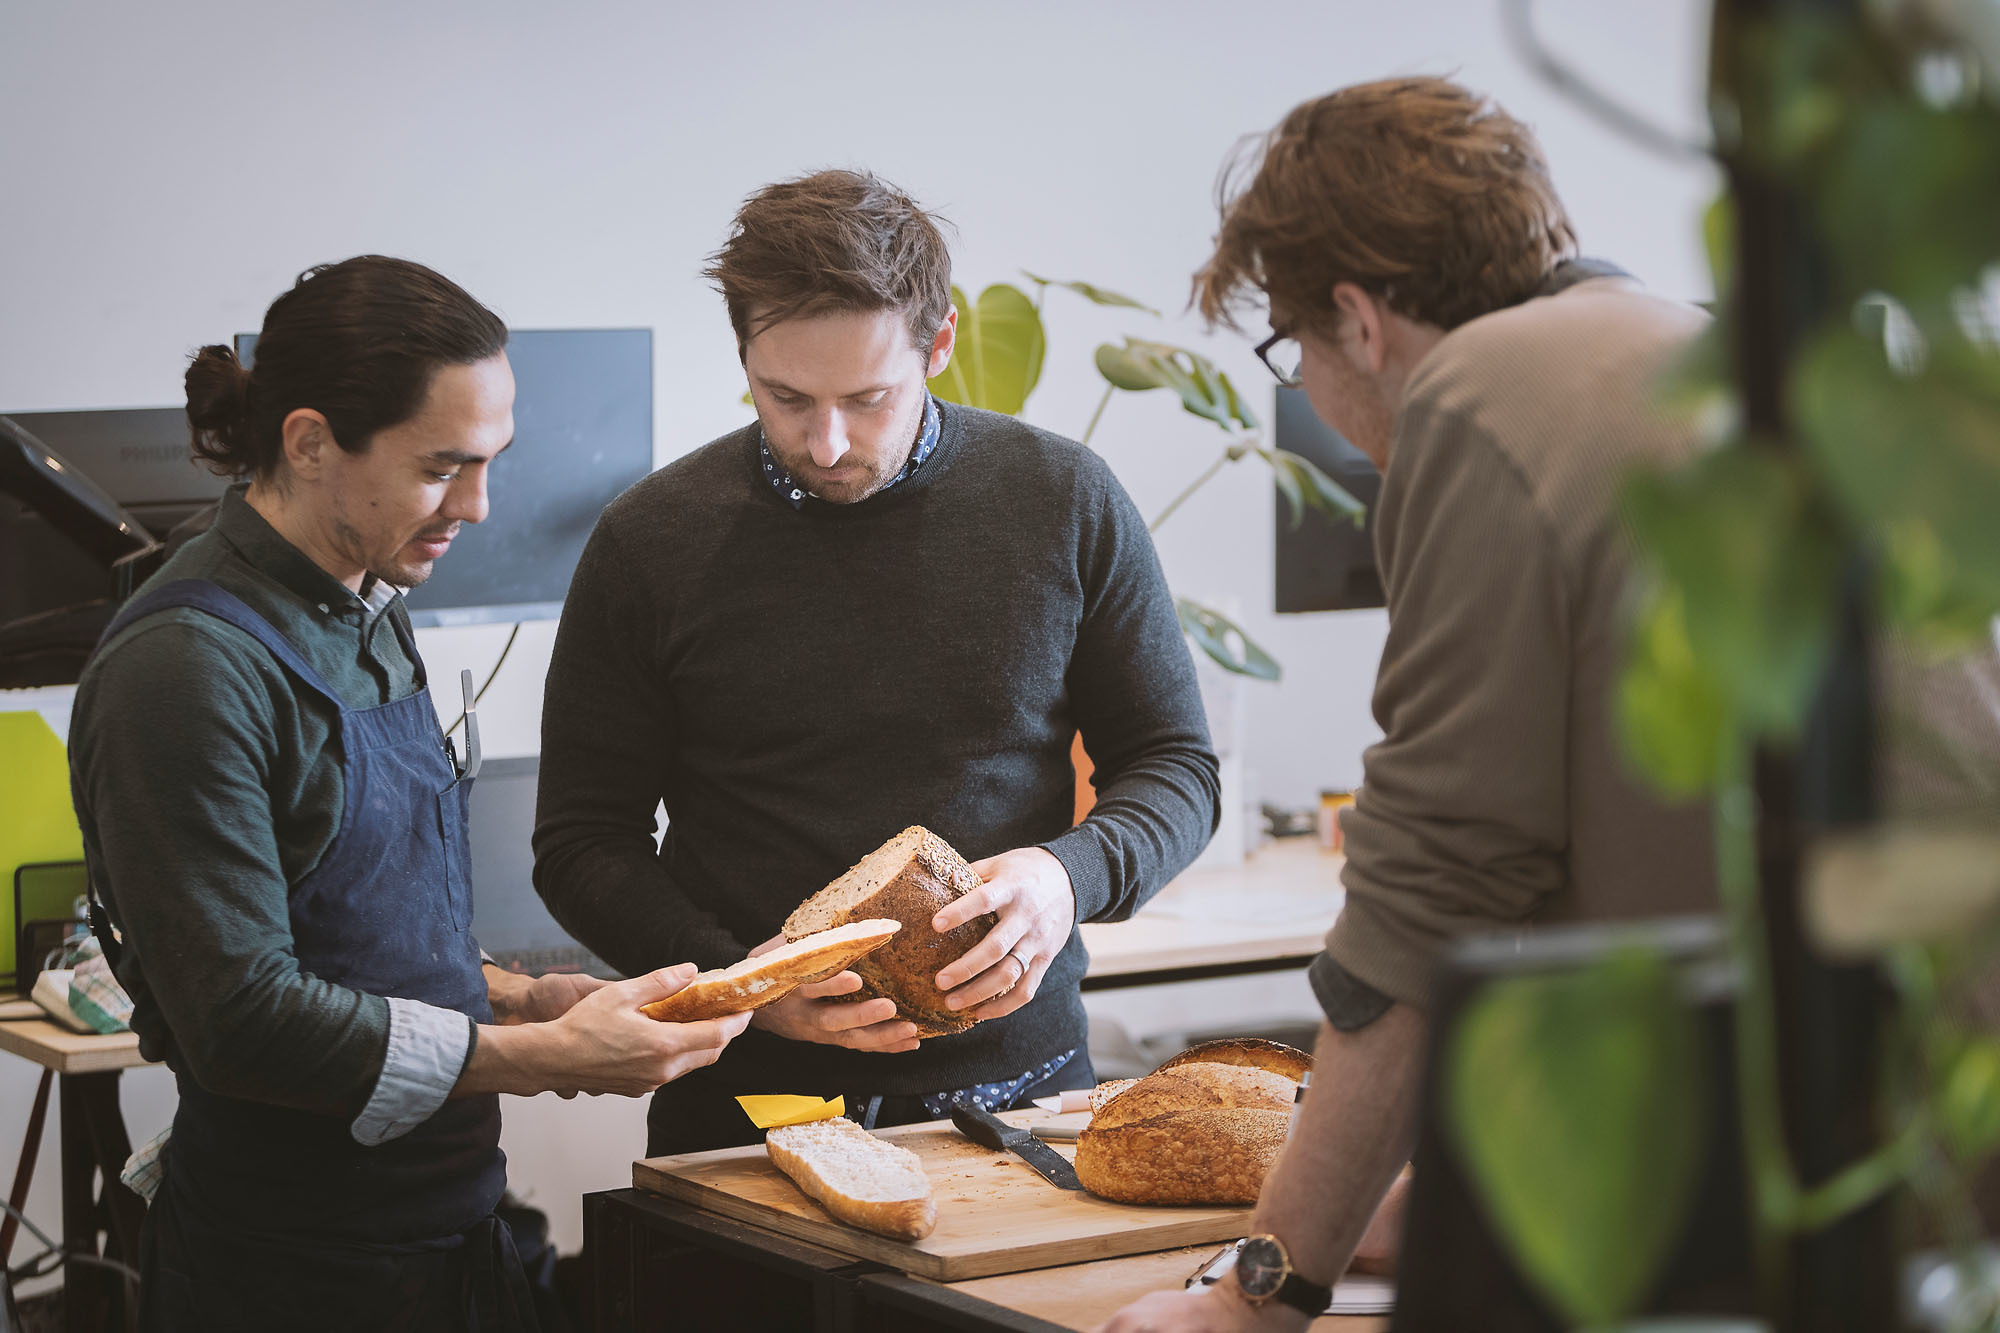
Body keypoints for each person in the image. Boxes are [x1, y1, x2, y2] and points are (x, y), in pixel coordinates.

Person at [1104, 77, 1717, 1330]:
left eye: (1291, 356)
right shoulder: (1690, 343)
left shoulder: (1482, 393)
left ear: (1356, 319)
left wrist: (1259, 1292)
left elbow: (1432, 888)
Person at [67, 255, 752, 1332]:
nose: (477, 506)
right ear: (306, 442)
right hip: (292, 1273)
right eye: (442, 468)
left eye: (489, 462)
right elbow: (242, 1020)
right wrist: (540, 1059)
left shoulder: (368, 602)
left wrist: (522, 997)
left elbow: (360, 926)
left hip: (451, 1229)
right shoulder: (185, 669)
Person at [533, 169, 1221, 1157]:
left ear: (937, 344)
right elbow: (580, 840)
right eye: (784, 396)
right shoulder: (651, 540)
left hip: (1024, 1107)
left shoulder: (1063, 498)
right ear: (743, 355)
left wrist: (1066, 876)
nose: (827, 441)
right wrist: (744, 980)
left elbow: (1175, 770)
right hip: (751, 1116)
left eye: (867, 397)